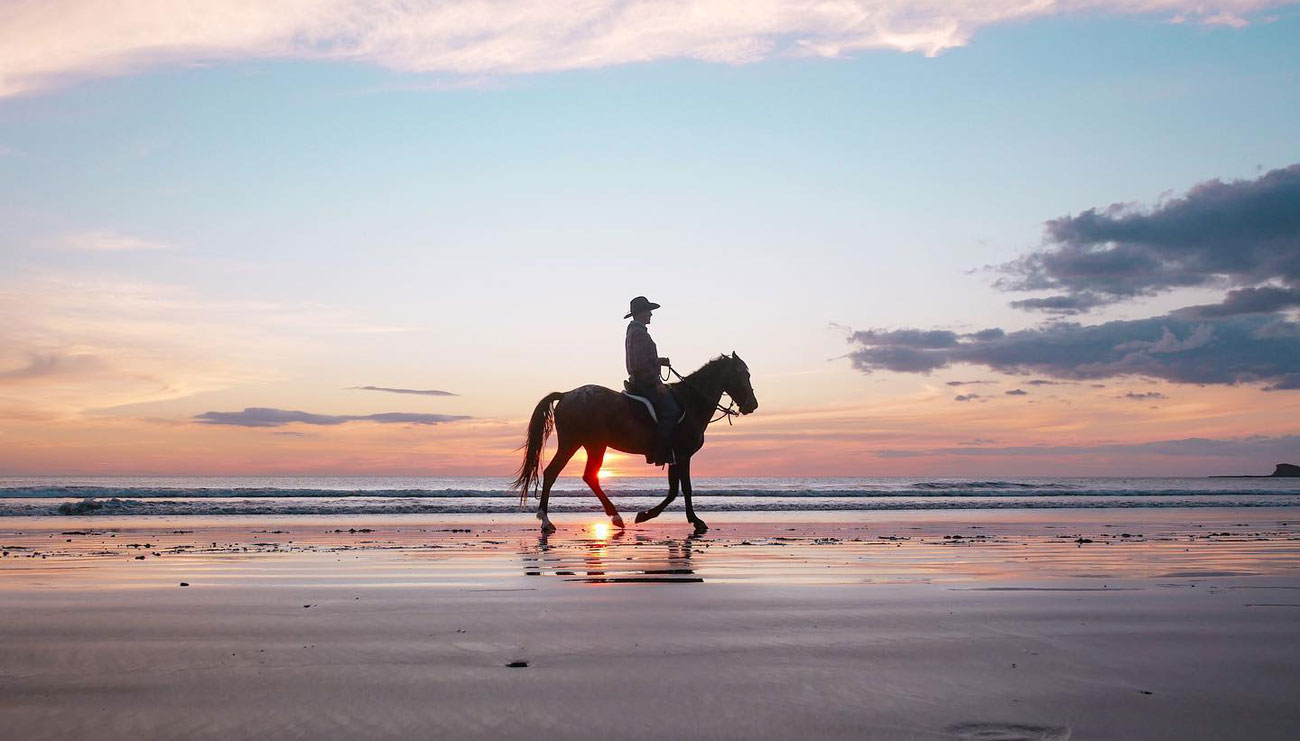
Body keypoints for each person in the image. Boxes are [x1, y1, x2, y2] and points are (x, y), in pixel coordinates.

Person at [624, 296, 680, 466]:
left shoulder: (635, 331)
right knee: (671, 410)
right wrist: (657, 383)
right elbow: (641, 364)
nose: (651, 315)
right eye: (648, 311)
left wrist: (658, 360)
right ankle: (660, 451)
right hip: (645, 381)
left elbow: (643, 359)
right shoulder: (639, 333)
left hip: (642, 378)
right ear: (641, 313)